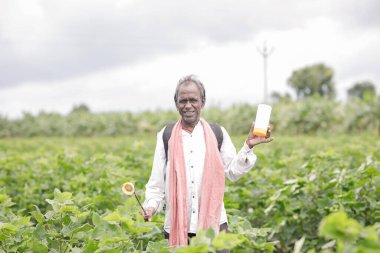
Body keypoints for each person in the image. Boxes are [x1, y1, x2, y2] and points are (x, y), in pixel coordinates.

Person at [142, 74, 273, 250]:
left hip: (215, 227)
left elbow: (232, 172)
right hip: (177, 228)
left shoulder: (217, 133)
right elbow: (156, 184)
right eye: (183, 101)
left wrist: (248, 146)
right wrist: (150, 207)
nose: (188, 105)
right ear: (176, 104)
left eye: (193, 100)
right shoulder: (166, 135)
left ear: (202, 102)